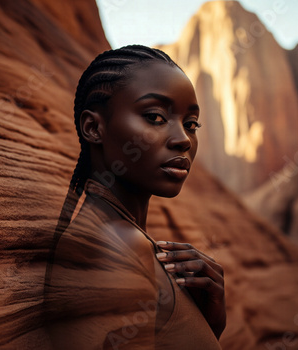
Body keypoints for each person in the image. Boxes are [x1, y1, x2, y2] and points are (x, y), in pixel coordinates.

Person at [45, 45, 225, 349]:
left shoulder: (121, 237)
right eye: (154, 117)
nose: (182, 139)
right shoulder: (114, 245)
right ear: (93, 128)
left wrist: (209, 326)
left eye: (191, 124)